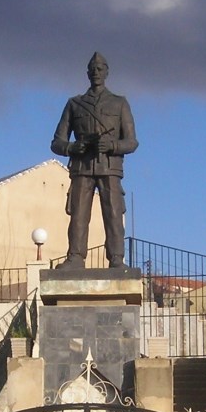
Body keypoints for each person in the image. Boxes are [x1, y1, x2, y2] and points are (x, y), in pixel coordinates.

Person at [51, 52, 138, 269]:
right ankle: (76, 257)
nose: (96, 72)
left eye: (100, 69)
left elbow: (132, 142)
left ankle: (117, 258)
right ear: (87, 73)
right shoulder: (74, 104)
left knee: (114, 214)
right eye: (93, 69)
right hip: (82, 167)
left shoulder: (119, 103)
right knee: (78, 215)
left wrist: (112, 146)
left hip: (110, 167)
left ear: (107, 72)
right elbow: (56, 142)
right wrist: (72, 147)